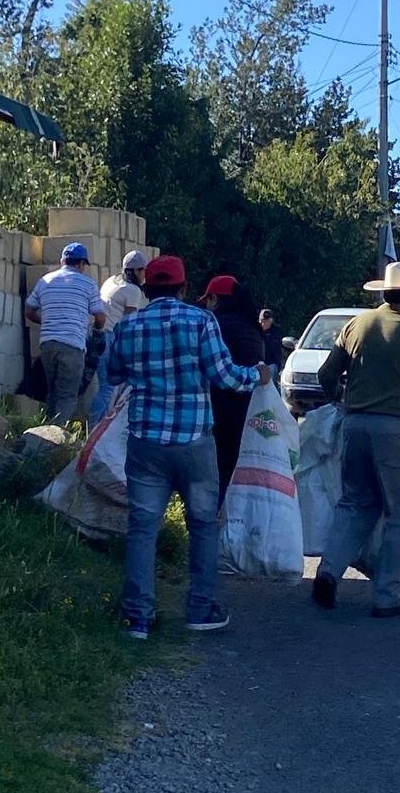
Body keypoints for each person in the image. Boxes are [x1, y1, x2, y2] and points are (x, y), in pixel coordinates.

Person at [107, 256, 271, 639]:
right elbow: (224, 376)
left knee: (143, 528)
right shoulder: (201, 321)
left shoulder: (130, 324)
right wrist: (258, 375)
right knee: (202, 526)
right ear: (183, 288)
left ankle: (138, 618)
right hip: (195, 442)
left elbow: (113, 373)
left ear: (146, 289)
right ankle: (201, 609)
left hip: (146, 442)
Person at [312, 261, 400, 618]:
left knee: (355, 502)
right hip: (396, 428)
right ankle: (387, 595)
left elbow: (327, 374)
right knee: (399, 512)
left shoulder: (357, 324)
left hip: (355, 425)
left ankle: (328, 572)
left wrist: (343, 400)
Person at [197, 274, 265, 506]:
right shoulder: (253, 328)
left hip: (216, 408)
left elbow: (216, 371)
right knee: (231, 470)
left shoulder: (215, 325)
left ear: (215, 298)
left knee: (211, 474)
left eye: (207, 300)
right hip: (246, 409)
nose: (206, 305)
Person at [24, 242, 106, 425]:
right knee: (67, 395)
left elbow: (29, 310)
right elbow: (100, 317)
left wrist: (47, 321)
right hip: (72, 346)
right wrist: (97, 330)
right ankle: (55, 440)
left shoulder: (45, 280)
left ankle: (43, 435)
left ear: (63, 261)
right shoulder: (88, 284)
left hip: (47, 344)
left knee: (52, 392)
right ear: (81, 264)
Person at [90, 250, 148, 424]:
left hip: (97, 335)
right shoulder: (132, 290)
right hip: (110, 338)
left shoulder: (112, 280)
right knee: (108, 388)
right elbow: (128, 324)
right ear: (136, 271)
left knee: (105, 387)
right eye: (144, 270)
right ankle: (94, 430)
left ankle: (94, 428)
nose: (146, 274)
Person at [259, 308, 283, 377]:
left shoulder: (275, 332)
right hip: (257, 363)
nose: (263, 323)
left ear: (271, 321)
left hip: (272, 363)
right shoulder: (255, 331)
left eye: (266, 321)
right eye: (262, 321)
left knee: (270, 373)